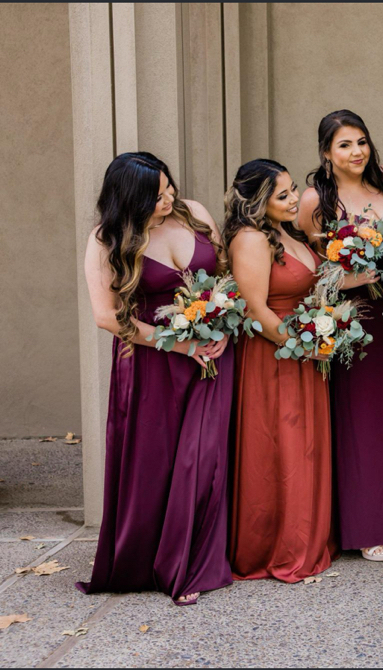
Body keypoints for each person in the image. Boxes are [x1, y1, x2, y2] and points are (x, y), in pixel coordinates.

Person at [77, 152, 232, 606]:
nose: (167, 198)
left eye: (168, 187)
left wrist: (221, 325)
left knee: (201, 461)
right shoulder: (106, 239)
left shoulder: (196, 213)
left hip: (212, 354)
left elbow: (224, 278)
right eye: (156, 193)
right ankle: (154, 562)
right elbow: (106, 317)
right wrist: (181, 344)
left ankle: (187, 564)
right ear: (130, 197)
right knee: (157, 463)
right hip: (150, 360)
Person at [297, 110, 383, 563]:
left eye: (362, 141)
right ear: (327, 153)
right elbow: (305, 268)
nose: (356, 152)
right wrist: (340, 279)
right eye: (344, 145)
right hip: (355, 316)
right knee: (365, 419)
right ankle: (370, 521)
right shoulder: (315, 200)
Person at [226, 159, 336, 582]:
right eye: (283, 195)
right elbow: (255, 311)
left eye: (293, 191)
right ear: (258, 201)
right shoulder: (251, 240)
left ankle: (304, 538)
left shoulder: (284, 234)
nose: (294, 200)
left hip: (303, 350)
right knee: (280, 447)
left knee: (303, 447)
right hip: (273, 357)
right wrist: (304, 347)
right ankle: (275, 546)